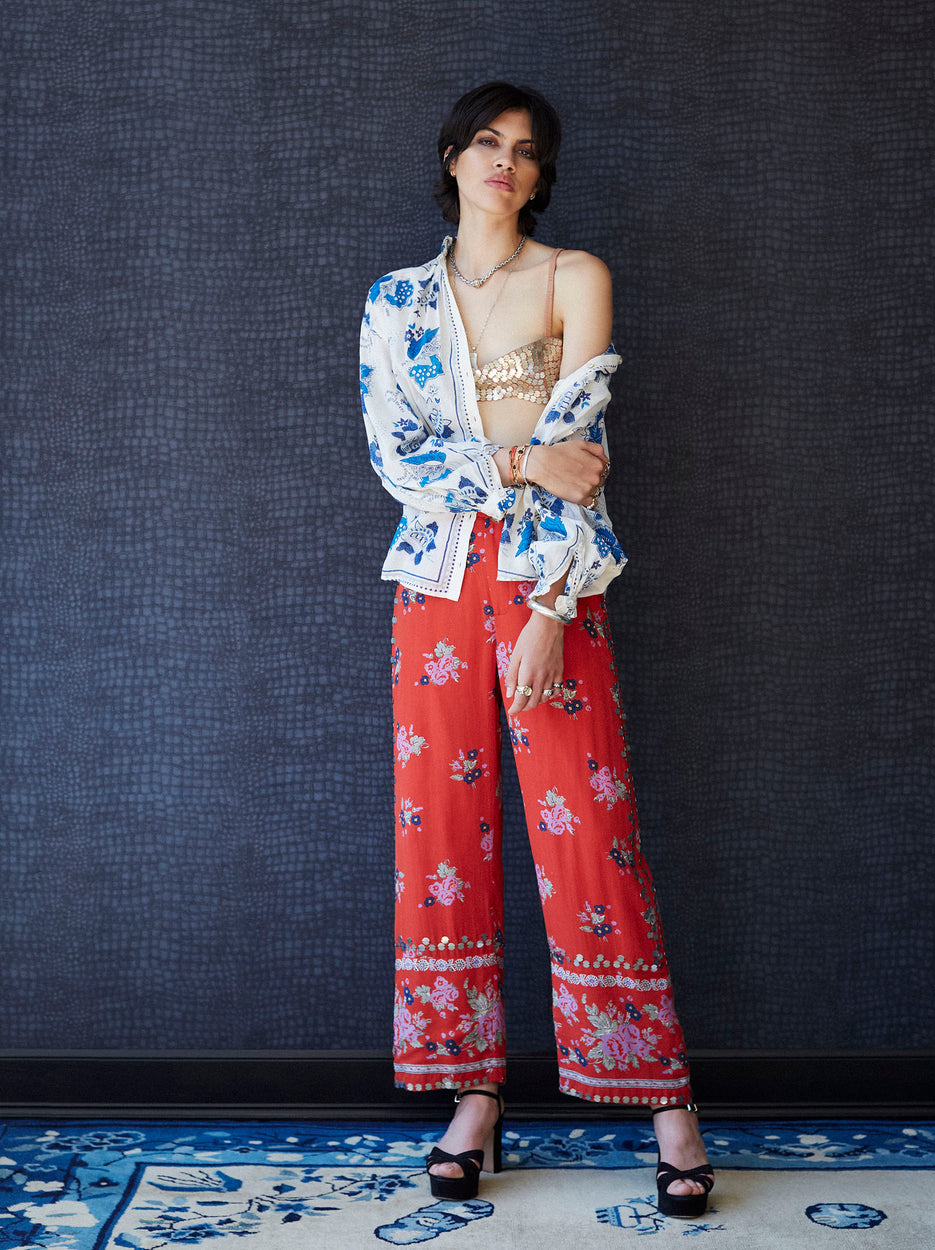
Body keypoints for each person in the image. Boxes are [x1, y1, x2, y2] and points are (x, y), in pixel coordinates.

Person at [359, 81, 714, 1219]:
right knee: (442, 843)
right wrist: (511, 465)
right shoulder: (394, 302)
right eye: (486, 144)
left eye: (525, 152)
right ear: (453, 158)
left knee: (591, 830)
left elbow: (580, 446)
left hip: (547, 584)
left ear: (539, 173)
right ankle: (472, 1097)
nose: (504, 164)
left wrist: (556, 603)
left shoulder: (575, 278)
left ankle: (668, 1107)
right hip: (433, 586)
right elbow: (398, 461)